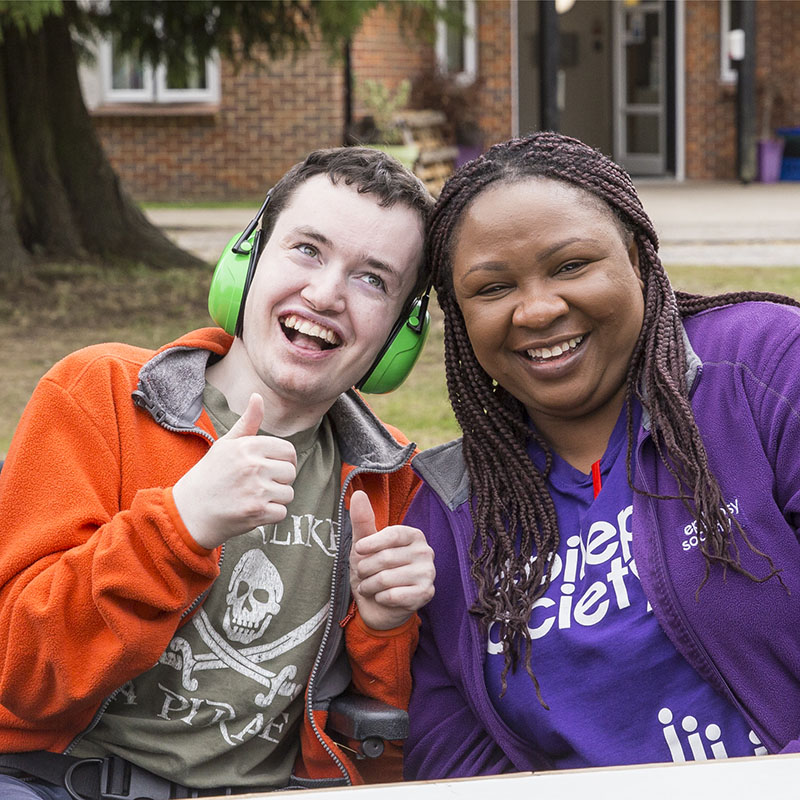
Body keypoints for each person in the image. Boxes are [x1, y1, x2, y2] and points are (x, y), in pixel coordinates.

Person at [0, 146, 436, 799]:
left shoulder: (390, 478)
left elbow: (396, 726)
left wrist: (384, 627)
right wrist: (177, 527)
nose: (324, 294)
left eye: (372, 279)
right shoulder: (98, 396)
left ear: (401, 334)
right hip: (62, 783)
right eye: (307, 250)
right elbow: (18, 671)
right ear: (248, 258)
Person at [403, 131, 800, 779]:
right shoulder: (449, 517)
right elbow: (454, 762)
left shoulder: (764, 369)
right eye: (493, 288)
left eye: (570, 266)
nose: (537, 309)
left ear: (639, 260)